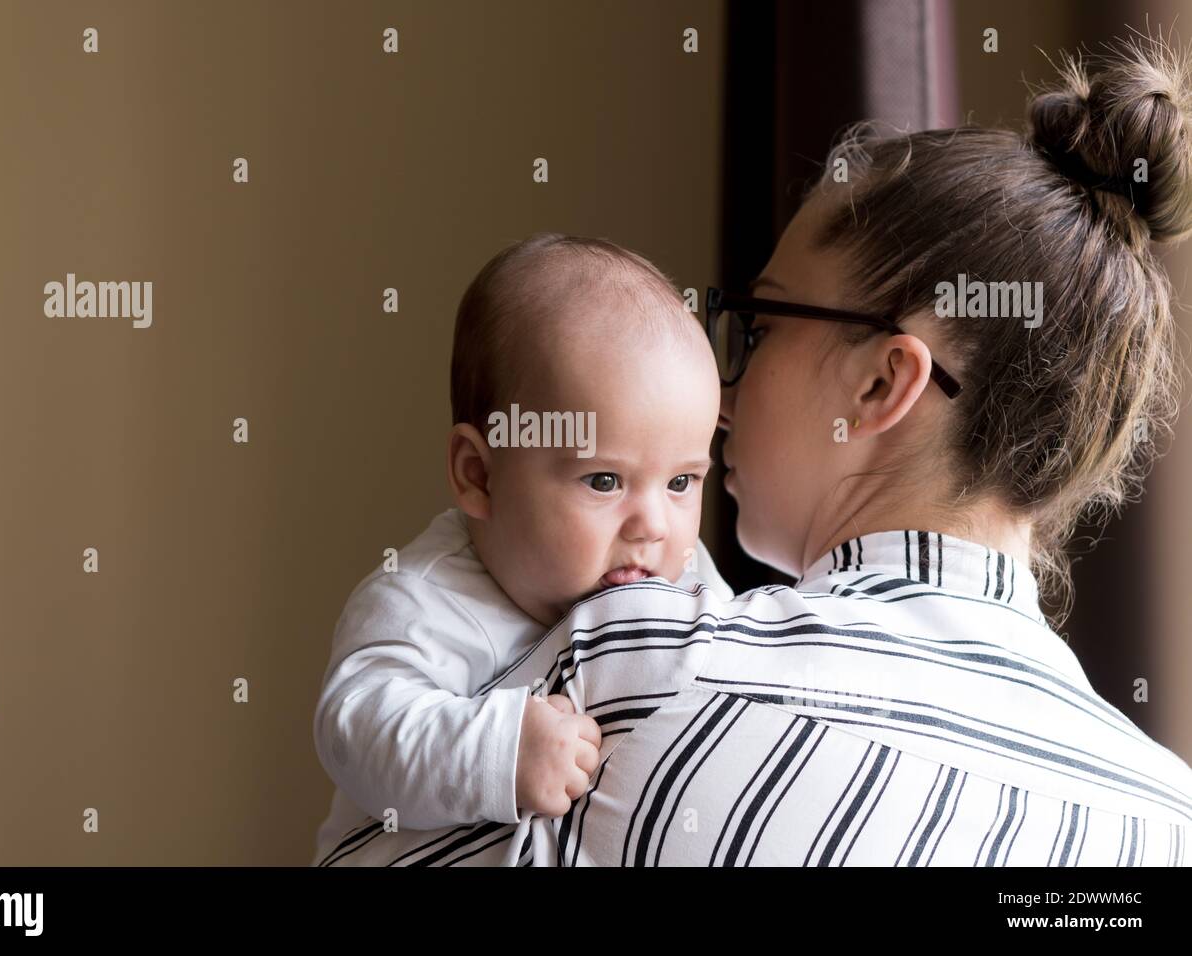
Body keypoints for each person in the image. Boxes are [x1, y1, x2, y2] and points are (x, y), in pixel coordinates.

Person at [320, 32, 1192, 866]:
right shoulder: (1169, 820)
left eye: (764, 324)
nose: (724, 401)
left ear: (881, 386)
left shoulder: (629, 670)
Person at [311, 233, 733, 862]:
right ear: (479, 475)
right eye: (604, 480)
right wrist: (501, 753)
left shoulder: (682, 571)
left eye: (680, 482)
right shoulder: (425, 596)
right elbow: (356, 728)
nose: (653, 525)